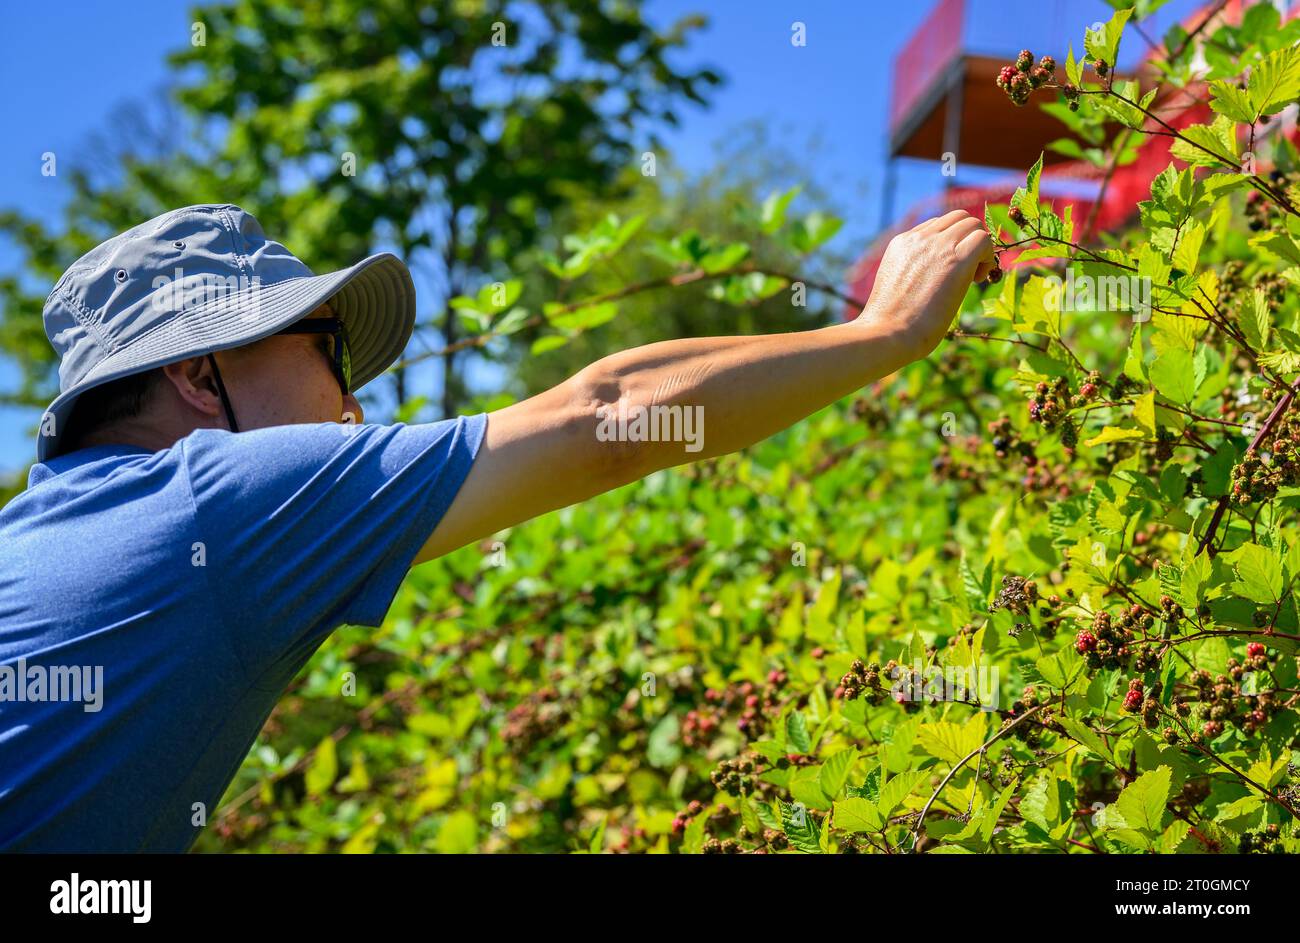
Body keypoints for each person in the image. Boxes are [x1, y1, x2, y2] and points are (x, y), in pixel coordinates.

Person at [0, 202, 996, 851]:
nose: (349, 407)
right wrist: (883, 332)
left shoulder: (41, 534)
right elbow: (605, 419)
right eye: (327, 350)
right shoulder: (215, 498)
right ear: (197, 371)